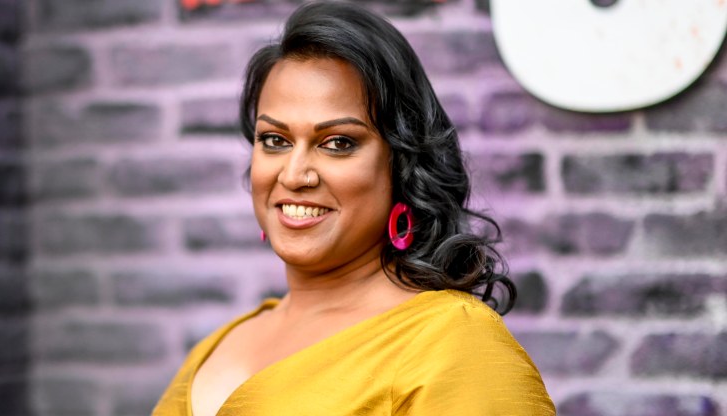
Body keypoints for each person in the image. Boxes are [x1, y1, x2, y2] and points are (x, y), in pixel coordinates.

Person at [153, 2, 555, 415]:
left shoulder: (453, 345)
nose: (294, 175)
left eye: (338, 143)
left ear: (402, 163)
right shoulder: (217, 344)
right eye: (275, 140)